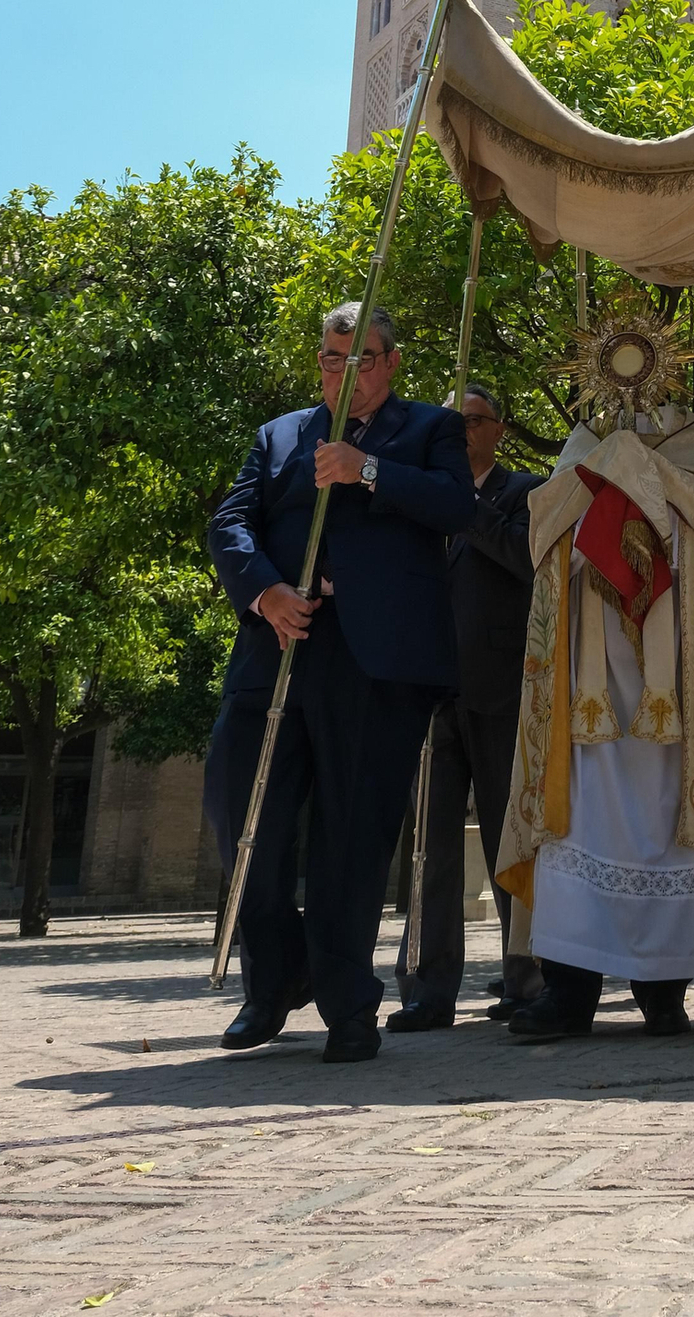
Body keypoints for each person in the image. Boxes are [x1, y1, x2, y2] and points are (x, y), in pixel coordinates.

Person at [204, 302, 473, 1062]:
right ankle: (277, 975)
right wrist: (266, 592)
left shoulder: (430, 429)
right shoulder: (278, 434)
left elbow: (459, 506)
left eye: (357, 359)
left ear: (390, 362)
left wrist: (370, 470)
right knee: (240, 813)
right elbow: (230, 523)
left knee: (352, 840)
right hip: (277, 650)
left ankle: (347, 1002)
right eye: (329, 357)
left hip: (375, 664)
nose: (340, 373)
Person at [496, 410, 694, 1040]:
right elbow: (542, 538)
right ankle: (568, 992)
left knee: (677, 823)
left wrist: (656, 489)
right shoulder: (584, 445)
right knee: (577, 818)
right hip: (593, 690)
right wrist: (604, 485)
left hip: (681, 686)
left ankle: (664, 992)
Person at [389, 387, 546, 1031]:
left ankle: (526, 980)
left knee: (512, 838)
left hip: (501, 685)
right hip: (429, 686)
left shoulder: (526, 491)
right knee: (430, 845)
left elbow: (526, 558)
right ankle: (429, 987)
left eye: (471, 421)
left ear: (498, 430)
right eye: (449, 421)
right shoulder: (417, 495)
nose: (457, 431)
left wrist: (465, 505)